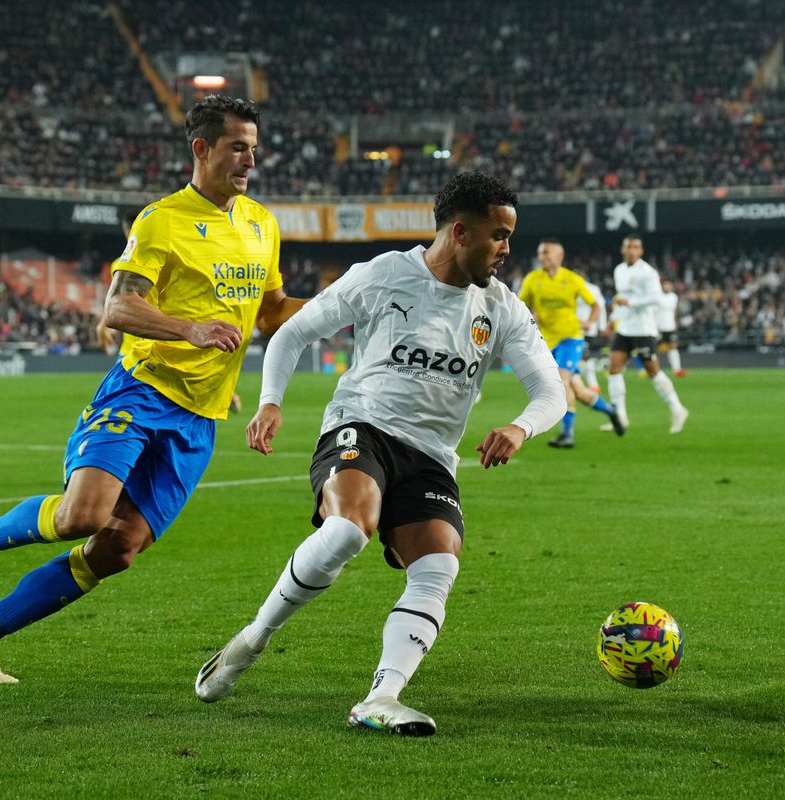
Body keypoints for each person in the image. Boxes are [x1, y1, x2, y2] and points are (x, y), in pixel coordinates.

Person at [0, 95, 305, 683]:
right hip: (141, 391)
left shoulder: (260, 223)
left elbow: (273, 313)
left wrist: (345, 305)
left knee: (117, 549)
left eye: (253, 147)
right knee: (82, 517)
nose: (250, 159)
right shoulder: (162, 220)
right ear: (201, 149)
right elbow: (118, 306)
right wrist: (188, 328)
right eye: (237, 147)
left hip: (200, 418)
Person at [194, 173, 566, 736]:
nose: (507, 250)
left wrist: (520, 427)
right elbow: (291, 333)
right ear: (460, 232)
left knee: (439, 567)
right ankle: (251, 640)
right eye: (499, 236)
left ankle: (382, 697)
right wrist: (271, 403)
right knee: (347, 531)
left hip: (433, 456)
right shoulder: (385, 274)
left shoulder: (502, 308)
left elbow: (551, 392)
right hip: (361, 426)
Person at [97, 211, 244, 412]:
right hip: (132, 350)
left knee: (137, 410)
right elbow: (117, 301)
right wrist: (102, 323)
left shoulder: (165, 258)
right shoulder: (123, 265)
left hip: (155, 347)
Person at [518, 239, 624, 448]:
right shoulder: (532, 279)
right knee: (580, 391)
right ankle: (611, 411)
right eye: (540, 253)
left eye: (546, 253)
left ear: (559, 256)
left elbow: (595, 304)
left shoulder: (572, 279)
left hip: (571, 338)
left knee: (561, 381)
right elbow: (521, 304)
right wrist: (530, 316)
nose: (542, 257)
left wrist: (590, 322)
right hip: (547, 342)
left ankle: (568, 434)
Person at [607, 235, 689, 434]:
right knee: (614, 368)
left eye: (636, 247)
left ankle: (678, 409)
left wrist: (630, 303)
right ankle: (619, 416)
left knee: (653, 371)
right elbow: (623, 296)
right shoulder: (619, 270)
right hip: (625, 327)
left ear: (641, 251)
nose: (632, 250)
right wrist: (616, 311)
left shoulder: (648, 272)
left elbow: (656, 298)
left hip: (643, 328)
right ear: (623, 250)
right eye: (629, 247)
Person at [576, 273, 608, 392]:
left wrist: (602, 325)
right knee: (581, 356)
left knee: (585, 355)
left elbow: (601, 307)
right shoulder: (571, 288)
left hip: (589, 327)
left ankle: (592, 385)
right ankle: (589, 384)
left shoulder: (593, 289)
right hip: (573, 327)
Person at [657, 279, 686, 377]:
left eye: (669, 285)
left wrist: (676, 323)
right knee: (656, 349)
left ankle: (677, 370)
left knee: (673, 347)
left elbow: (674, 311)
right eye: (666, 285)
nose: (667, 287)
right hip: (658, 327)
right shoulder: (657, 296)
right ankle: (653, 370)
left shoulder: (674, 297)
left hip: (670, 327)